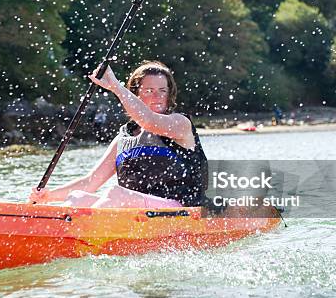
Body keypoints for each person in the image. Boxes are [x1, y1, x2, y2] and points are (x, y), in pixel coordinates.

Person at [29, 60, 208, 208]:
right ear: (135, 94)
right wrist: (48, 195)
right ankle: (63, 238)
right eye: (149, 91)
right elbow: (91, 181)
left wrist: (115, 86)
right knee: (77, 198)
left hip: (182, 211)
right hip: (138, 214)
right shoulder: (123, 138)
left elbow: (149, 120)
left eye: (162, 91)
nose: (157, 97)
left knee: (116, 194)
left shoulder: (180, 124)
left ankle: (74, 233)